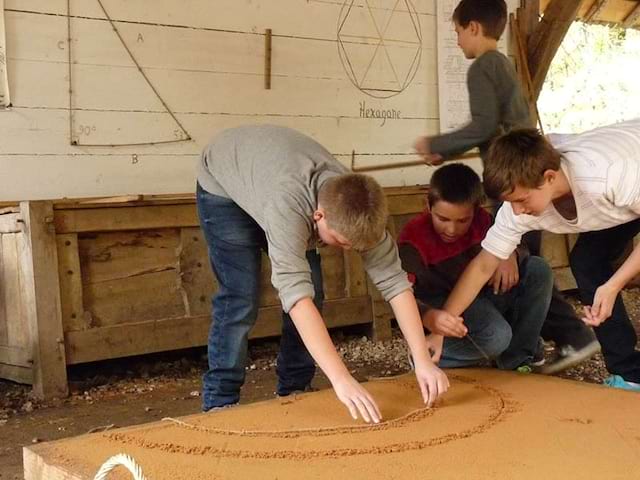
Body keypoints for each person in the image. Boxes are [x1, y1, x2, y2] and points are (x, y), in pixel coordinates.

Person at [196, 125, 449, 421]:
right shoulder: (289, 207)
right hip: (224, 183)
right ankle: (220, 399)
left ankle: (294, 387)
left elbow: (395, 284)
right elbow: (295, 297)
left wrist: (422, 360)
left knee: (314, 290)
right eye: (342, 242)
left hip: (271, 176)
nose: (347, 250)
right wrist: (342, 380)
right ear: (319, 216)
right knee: (241, 296)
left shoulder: (365, 208)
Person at [414, 0, 598, 372]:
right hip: (524, 179)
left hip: (514, 186)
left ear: (474, 28)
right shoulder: (503, 64)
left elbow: (482, 129)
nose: (458, 41)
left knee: (519, 268)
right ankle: (531, 349)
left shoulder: (482, 66)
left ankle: (570, 337)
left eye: (458, 33)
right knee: (522, 271)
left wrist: (438, 146)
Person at [441, 120, 640, 391]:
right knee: (587, 261)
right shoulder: (519, 204)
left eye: (522, 200)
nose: (518, 211)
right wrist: (442, 327)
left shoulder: (610, 175)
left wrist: (615, 285)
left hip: (630, 172)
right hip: (617, 202)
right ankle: (630, 373)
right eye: (511, 202)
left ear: (549, 177)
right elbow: (484, 265)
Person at [398, 163, 551, 372]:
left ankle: (517, 358)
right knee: (497, 336)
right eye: (442, 219)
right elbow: (400, 296)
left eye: (463, 220)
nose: (451, 229)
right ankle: (426, 354)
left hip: (478, 294)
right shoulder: (413, 240)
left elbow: (511, 242)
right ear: (428, 206)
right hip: (440, 304)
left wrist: (510, 254)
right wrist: (429, 316)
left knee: (537, 270)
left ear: (476, 209)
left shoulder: (483, 221)